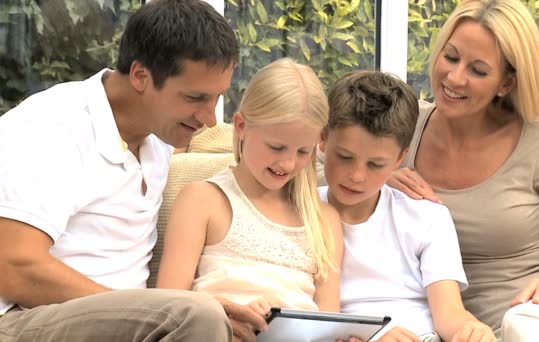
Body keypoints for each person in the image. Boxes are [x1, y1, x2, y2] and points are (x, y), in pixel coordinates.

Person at [0, 1, 269, 341]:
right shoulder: (51, 126)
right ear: (141, 76)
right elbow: (13, 268)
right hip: (24, 320)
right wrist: (150, 311)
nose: (209, 118)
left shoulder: (158, 136)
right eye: (195, 98)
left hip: (124, 322)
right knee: (199, 313)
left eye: (216, 98)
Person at [386, 0, 539, 340]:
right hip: (451, 329)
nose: (454, 78)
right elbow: (313, 171)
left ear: (506, 83)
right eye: (451, 57)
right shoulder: (404, 124)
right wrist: (377, 178)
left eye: (478, 70)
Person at [156, 58, 343, 326]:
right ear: (242, 127)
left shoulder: (324, 219)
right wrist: (232, 311)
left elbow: (329, 323)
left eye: (304, 151)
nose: (288, 163)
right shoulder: (204, 200)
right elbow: (168, 304)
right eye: (276, 147)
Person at [319, 70, 495, 342]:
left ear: (400, 158)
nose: (356, 176)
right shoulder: (298, 213)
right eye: (344, 157)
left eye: (375, 165)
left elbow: (450, 315)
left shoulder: (426, 217)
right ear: (323, 139)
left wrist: (472, 331)